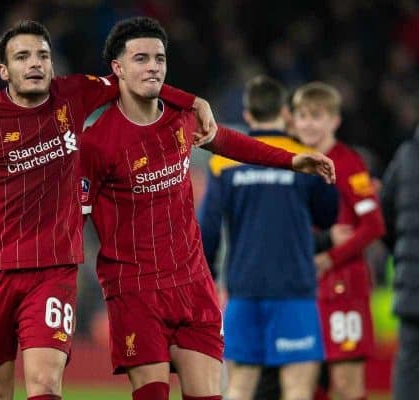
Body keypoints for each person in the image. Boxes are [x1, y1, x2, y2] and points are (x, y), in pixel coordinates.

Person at [0, 20, 216, 400]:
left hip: (53, 269)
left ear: (52, 65)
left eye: (43, 56)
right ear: (4, 71)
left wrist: (193, 101)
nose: (34, 63)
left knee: (45, 384)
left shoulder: (75, 94)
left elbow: (134, 78)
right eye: (22, 57)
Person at [80, 18, 336, 400]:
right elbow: (72, 218)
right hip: (135, 289)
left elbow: (231, 143)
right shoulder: (96, 143)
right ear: (117, 68)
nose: (153, 66)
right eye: (141, 58)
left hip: (192, 285)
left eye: (159, 58)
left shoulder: (182, 118)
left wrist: (292, 161)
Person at [198, 75, 338, 400]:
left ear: (248, 115)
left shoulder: (223, 164)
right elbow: (328, 216)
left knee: (239, 387)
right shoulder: (304, 158)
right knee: (297, 390)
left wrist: (210, 282)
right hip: (294, 290)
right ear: (286, 113)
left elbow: (207, 230)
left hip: (243, 291)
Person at [292, 82, 385, 400]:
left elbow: (373, 225)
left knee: (346, 384)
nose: (307, 123)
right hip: (305, 289)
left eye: (316, 115)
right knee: (306, 382)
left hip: (343, 287)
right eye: (301, 115)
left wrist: (329, 257)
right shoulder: (292, 162)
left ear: (335, 120)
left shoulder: (348, 163)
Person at [380, 125, 419, 400]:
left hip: (412, 286)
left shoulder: (406, 156)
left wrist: (404, 253)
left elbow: (383, 217)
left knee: (409, 368)